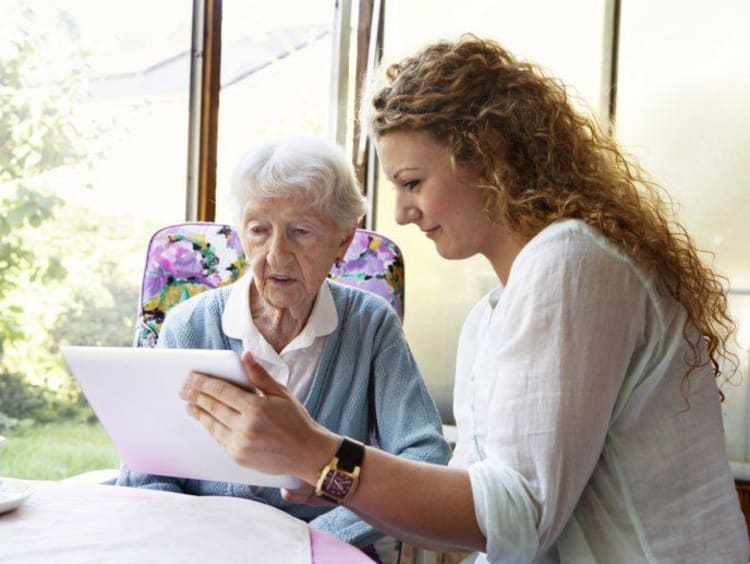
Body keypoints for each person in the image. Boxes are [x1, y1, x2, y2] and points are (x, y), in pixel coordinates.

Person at [178, 36, 750, 563]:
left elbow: (519, 514)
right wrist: (321, 468)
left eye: (411, 182)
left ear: (488, 153)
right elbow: (463, 513)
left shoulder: (572, 263)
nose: (400, 213)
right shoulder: (491, 316)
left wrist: (319, 454)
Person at [116, 135, 452, 553]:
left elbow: (425, 456)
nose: (276, 254)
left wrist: (319, 539)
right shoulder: (188, 325)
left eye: (301, 232)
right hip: (203, 548)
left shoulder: (370, 324)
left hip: (322, 551)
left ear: (343, 242)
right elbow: (148, 469)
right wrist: (197, 542)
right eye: (259, 230)